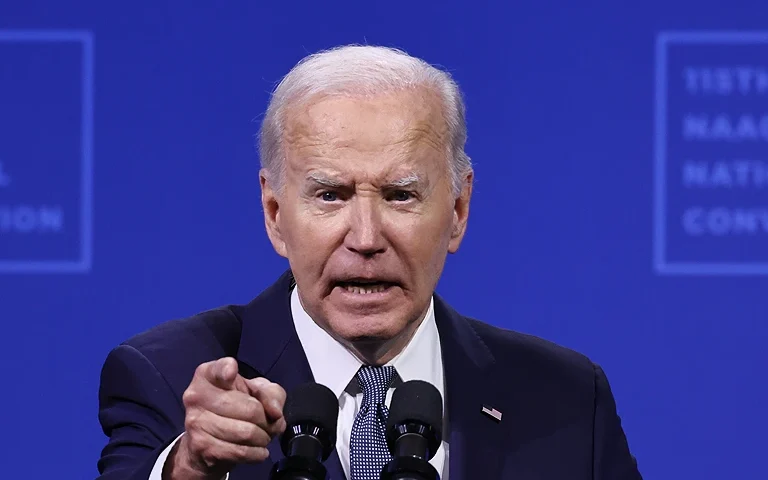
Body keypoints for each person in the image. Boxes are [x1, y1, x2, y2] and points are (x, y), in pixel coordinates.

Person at [95, 44, 642, 480]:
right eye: (330, 195)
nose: (365, 237)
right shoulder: (169, 375)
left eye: (401, 195)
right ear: (274, 213)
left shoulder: (566, 398)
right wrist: (189, 469)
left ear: (457, 209)